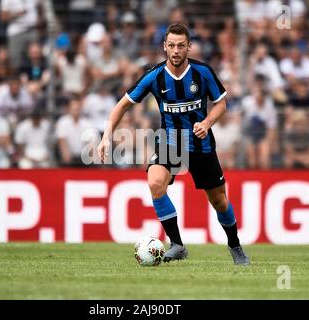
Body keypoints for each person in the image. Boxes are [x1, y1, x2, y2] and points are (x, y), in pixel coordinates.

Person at [97, 23, 250, 265]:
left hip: (201, 145)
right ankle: (177, 244)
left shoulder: (203, 72)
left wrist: (207, 122)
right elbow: (122, 104)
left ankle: (235, 246)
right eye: (171, 45)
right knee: (155, 182)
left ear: (189, 47)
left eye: (181, 45)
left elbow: (221, 104)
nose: (176, 50)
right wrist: (106, 136)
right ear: (164, 47)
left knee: (219, 201)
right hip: (171, 142)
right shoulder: (154, 76)